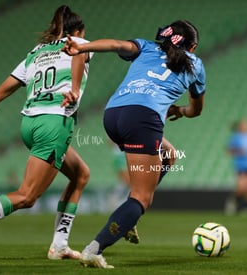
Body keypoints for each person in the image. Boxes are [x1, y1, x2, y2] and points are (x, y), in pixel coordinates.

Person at [0, 5, 93, 260]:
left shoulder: (35, 53)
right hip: (54, 123)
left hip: (29, 125)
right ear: (76, 31)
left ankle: (59, 246)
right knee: (27, 196)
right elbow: (79, 55)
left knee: (80, 174)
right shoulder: (77, 42)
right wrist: (75, 88)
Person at [63, 20, 205, 268]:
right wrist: (181, 111)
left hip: (113, 115)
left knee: (169, 155)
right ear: (191, 47)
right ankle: (94, 249)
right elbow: (196, 110)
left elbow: (116, 44)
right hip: (142, 119)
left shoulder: (147, 47)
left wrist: (82, 48)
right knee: (142, 198)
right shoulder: (195, 64)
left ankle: (131, 216)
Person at [225, 119, 247, 215]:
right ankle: (232, 202)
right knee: (241, 188)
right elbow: (229, 151)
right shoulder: (235, 138)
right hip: (240, 165)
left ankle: (246, 207)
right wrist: (240, 152)